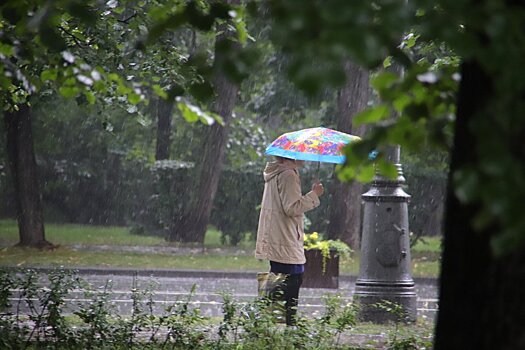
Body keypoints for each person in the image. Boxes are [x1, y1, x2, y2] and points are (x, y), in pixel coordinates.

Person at [255, 156, 324, 326]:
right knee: (292, 278)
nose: (306, 156)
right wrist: (314, 195)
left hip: (279, 235)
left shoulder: (277, 172)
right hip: (285, 236)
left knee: (279, 277)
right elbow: (292, 207)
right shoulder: (288, 175)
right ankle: (287, 325)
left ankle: (265, 322)